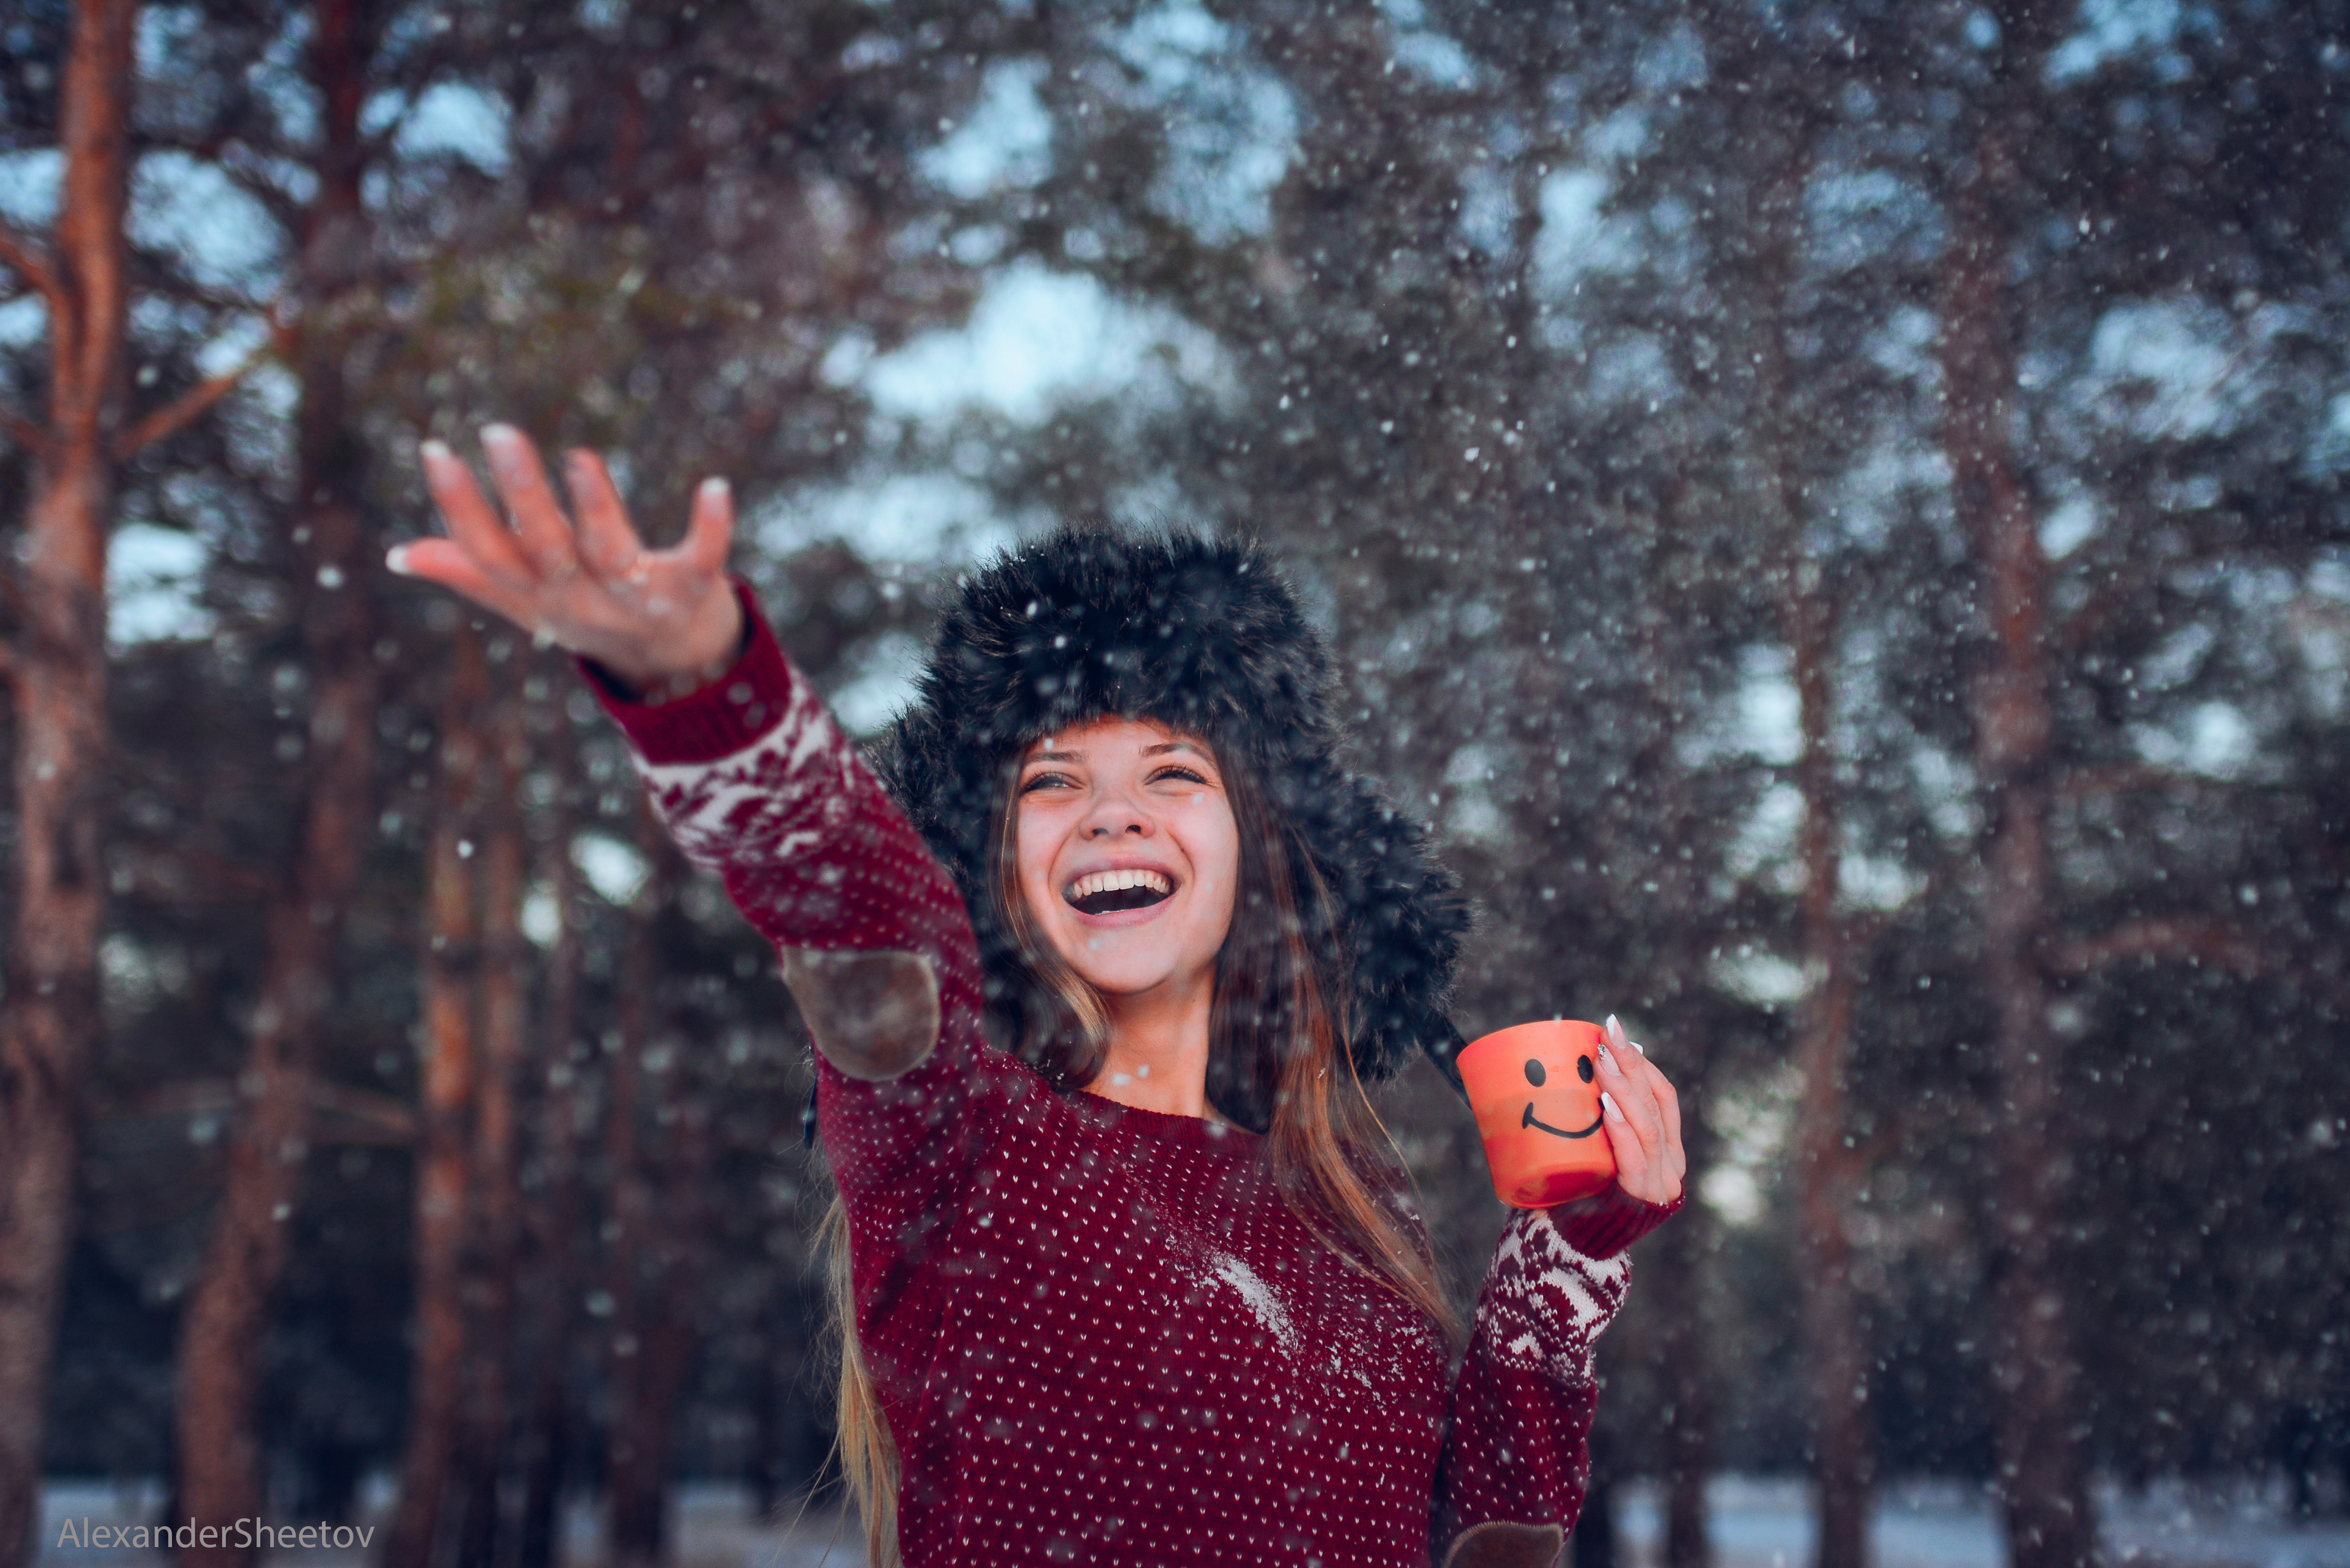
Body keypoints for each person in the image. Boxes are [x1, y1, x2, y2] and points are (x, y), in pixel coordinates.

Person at [391, 425, 1689, 1568]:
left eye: (1172, 771)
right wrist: (711, 694)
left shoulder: (1349, 1192)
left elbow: (1474, 1540)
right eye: (1050, 780)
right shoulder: (955, 1137)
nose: (1112, 808)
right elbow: (862, 916)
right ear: (994, 869)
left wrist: (1565, 1265)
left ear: (1256, 848)